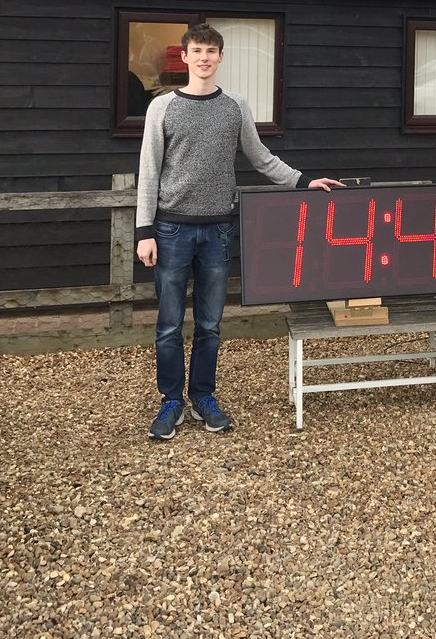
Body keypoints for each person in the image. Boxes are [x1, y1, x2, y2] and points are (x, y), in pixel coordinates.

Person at [135, 22, 342, 440]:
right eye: (197, 51)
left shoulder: (235, 106)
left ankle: (204, 398)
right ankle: (171, 402)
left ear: (220, 57)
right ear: (185, 56)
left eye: (212, 51)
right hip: (172, 229)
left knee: (211, 324)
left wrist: (304, 182)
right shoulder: (161, 107)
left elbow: (261, 157)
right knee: (170, 325)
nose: (204, 58)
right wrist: (144, 230)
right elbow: (149, 171)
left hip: (217, 231)